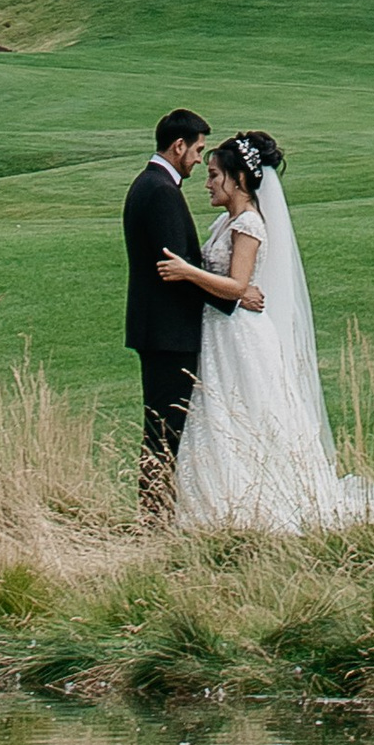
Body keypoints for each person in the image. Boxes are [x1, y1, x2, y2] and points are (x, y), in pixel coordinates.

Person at [159, 131, 374, 532]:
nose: (206, 184)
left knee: (249, 412)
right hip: (220, 333)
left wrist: (187, 273)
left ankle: (254, 502)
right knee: (221, 413)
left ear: (238, 179)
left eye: (215, 175)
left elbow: (238, 285)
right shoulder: (227, 221)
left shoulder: (250, 224)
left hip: (238, 334)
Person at [122, 111, 259, 520]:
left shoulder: (154, 184)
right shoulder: (160, 190)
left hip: (162, 330)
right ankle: (155, 520)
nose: (200, 160)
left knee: (165, 429)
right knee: (165, 433)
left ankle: (159, 516)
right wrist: (236, 295)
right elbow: (175, 268)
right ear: (178, 145)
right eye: (198, 150)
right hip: (167, 333)